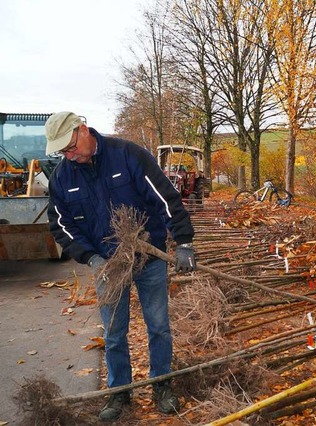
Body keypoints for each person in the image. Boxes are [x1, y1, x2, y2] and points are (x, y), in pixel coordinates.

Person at [45, 112, 197, 422]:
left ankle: (161, 385)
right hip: (107, 264)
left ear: (83, 129)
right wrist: (90, 257)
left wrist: (183, 241)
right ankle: (119, 392)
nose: (68, 155)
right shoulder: (62, 177)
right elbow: (61, 225)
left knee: (158, 326)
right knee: (114, 333)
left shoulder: (127, 156)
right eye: (62, 151)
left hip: (148, 257)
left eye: (70, 146)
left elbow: (165, 199)